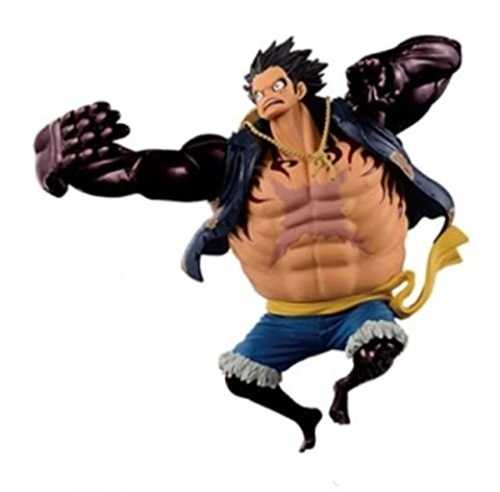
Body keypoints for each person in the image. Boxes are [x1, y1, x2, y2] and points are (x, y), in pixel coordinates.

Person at [34, 35, 467, 452]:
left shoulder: (363, 128)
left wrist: (387, 70)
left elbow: (444, 57)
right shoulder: (232, 161)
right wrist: (66, 160)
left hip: (363, 305)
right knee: (240, 378)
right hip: (287, 318)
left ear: (299, 88)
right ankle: (304, 418)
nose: (266, 98)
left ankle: (344, 389)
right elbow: (137, 174)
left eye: (275, 87)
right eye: (258, 92)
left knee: (379, 349)